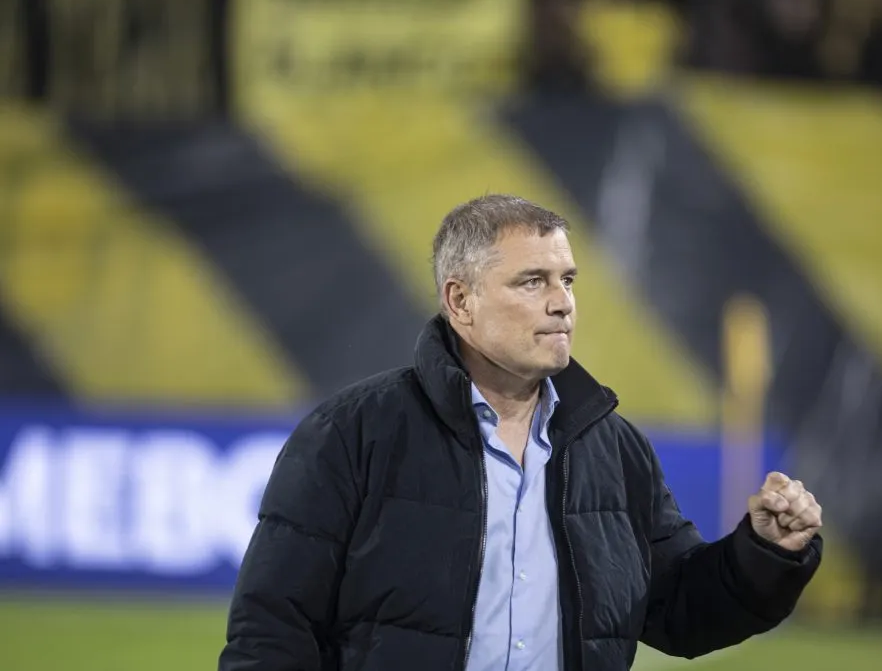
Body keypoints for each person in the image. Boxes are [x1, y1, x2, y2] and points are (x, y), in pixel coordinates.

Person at [219, 194, 824, 671]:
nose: (562, 303)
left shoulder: (614, 450)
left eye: (568, 280)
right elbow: (272, 632)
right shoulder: (352, 434)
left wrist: (766, 553)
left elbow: (682, 613)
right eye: (532, 282)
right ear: (461, 302)